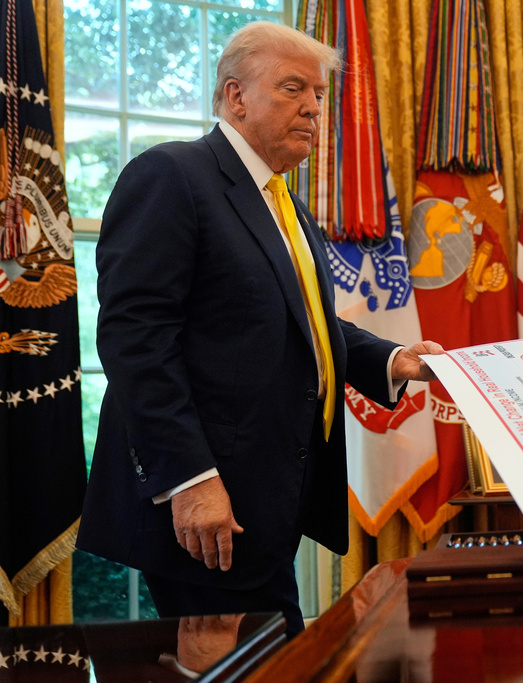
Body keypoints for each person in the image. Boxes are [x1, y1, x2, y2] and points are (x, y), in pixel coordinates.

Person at [76, 21, 442, 637]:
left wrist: (393, 359)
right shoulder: (172, 175)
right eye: (293, 88)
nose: (313, 108)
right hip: (204, 512)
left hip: (267, 502)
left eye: (320, 94)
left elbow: (303, 327)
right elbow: (135, 340)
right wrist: (190, 481)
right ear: (234, 96)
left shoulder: (282, 201)